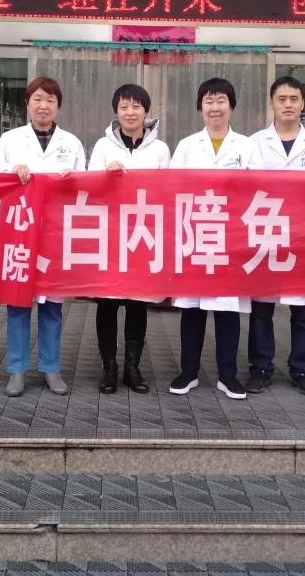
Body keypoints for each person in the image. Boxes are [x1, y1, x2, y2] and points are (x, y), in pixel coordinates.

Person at [0, 77, 86, 397]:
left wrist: (73, 179)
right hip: (18, 230)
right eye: (38, 99)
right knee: (18, 302)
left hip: (55, 233)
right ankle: (16, 370)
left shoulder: (71, 143)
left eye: (50, 100)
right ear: (28, 103)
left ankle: (50, 368)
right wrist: (11, 170)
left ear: (58, 106)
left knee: (52, 306)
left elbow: (85, 186)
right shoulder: (10, 140)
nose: (44, 106)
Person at [168, 77, 263, 401]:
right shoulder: (186, 146)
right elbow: (171, 188)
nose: (215, 107)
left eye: (221, 100)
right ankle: (188, 372)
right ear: (200, 108)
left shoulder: (247, 147)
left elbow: (261, 189)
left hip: (231, 238)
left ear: (231, 106)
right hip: (195, 235)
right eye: (208, 101)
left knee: (227, 309)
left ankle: (228, 375)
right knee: (192, 308)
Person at [247, 75, 305, 397]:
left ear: (302, 104)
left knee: (303, 309)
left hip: (302, 234)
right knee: (262, 307)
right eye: (281, 99)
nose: (288, 104)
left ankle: (302, 368)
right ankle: (260, 367)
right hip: (266, 230)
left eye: (294, 99)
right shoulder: (254, 142)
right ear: (271, 103)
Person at [87, 83, 171, 394]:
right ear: (116, 111)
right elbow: (88, 187)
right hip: (109, 235)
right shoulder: (102, 146)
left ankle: (132, 368)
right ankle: (109, 367)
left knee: (138, 304)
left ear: (146, 111)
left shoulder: (160, 149)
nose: (130, 112)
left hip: (143, 236)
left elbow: (168, 191)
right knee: (107, 304)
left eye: (136, 106)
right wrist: (104, 175)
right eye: (124, 107)